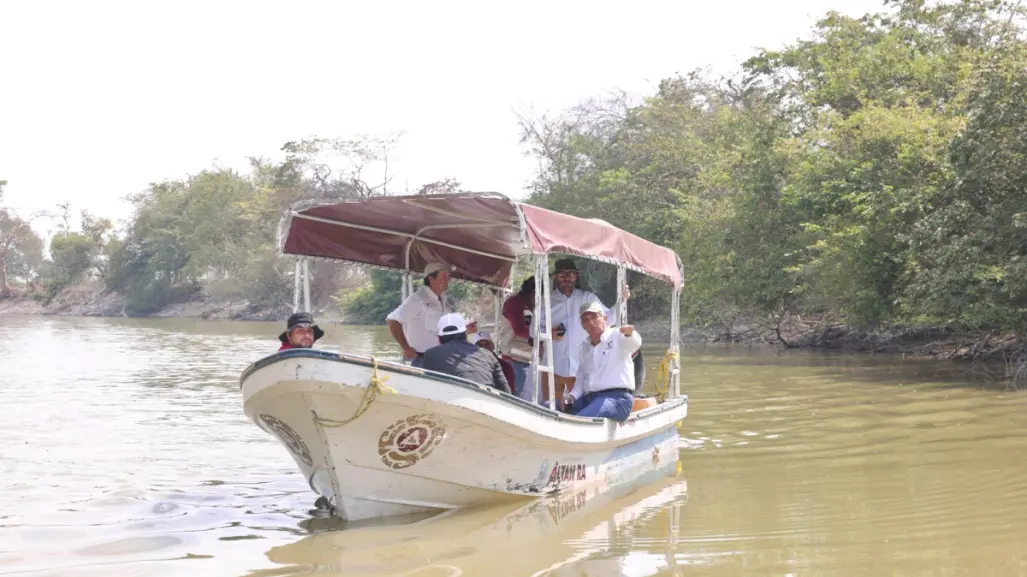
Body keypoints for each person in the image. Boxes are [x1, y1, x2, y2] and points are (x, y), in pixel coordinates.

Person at [545, 258, 629, 409]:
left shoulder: (588, 298)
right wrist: (548, 333)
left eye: (571, 274)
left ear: (576, 277)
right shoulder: (546, 300)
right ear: (555, 277)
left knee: (578, 409)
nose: (567, 278)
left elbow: (608, 319)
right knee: (551, 407)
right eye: (562, 275)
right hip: (553, 366)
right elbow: (533, 330)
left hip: (581, 367)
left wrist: (622, 301)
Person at [386, 262, 476, 368]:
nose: (448, 280)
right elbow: (392, 320)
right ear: (431, 279)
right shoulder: (417, 299)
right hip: (421, 360)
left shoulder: (445, 301)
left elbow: (442, 331)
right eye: (444, 277)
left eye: (448, 277)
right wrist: (406, 348)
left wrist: (467, 330)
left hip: (444, 359)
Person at [564, 301, 641, 421]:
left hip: (617, 399)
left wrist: (629, 333)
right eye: (586, 320)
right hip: (590, 398)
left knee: (581, 419)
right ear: (583, 325)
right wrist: (572, 397)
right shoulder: (584, 347)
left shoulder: (617, 336)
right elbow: (580, 378)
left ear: (605, 318)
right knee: (549, 406)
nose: (591, 322)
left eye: (595, 317)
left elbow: (633, 343)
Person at [421, 313, 512, 394]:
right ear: (465, 334)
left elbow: (427, 390)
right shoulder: (488, 355)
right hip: (485, 404)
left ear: (439, 338)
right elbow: (506, 393)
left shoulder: (430, 355)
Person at [496, 276, 540, 397]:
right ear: (533, 292)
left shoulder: (532, 305)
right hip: (514, 361)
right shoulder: (515, 303)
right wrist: (544, 336)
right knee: (512, 399)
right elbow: (520, 329)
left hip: (526, 361)